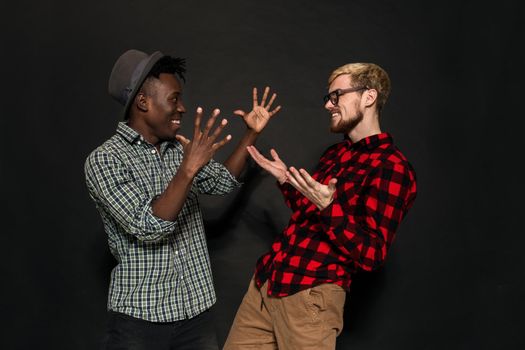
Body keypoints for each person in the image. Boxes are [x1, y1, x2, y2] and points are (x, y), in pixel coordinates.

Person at [84, 49, 281, 350]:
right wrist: (188, 170)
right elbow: (149, 226)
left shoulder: (177, 150)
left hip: (195, 315)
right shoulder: (104, 160)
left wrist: (250, 135)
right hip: (139, 321)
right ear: (143, 102)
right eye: (174, 99)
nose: (182, 108)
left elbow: (221, 182)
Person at [223, 62, 417, 349]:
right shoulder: (335, 153)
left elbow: (373, 253)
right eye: (328, 97)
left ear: (369, 97)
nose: (328, 105)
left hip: (311, 295)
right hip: (267, 283)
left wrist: (329, 209)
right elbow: (310, 211)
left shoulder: (392, 167)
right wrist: (286, 181)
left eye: (336, 96)